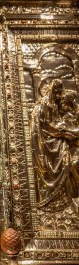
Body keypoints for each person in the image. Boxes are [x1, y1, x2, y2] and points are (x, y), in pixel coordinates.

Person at [31, 79, 79, 209]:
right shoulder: (45, 105)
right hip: (48, 141)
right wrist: (64, 132)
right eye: (58, 93)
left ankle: (66, 198)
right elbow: (48, 126)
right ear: (52, 91)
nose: (59, 97)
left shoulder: (54, 104)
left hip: (56, 138)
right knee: (65, 163)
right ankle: (56, 199)